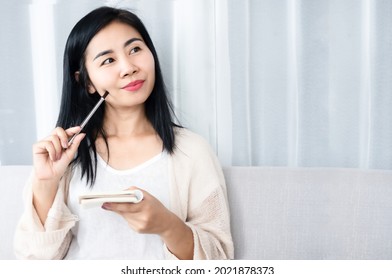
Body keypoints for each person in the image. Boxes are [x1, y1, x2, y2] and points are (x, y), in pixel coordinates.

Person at [14, 6, 233, 260]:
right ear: (87, 82)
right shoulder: (64, 155)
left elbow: (220, 259)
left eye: (135, 49)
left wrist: (168, 226)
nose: (128, 67)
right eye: (108, 60)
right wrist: (45, 184)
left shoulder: (192, 151)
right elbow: (32, 263)